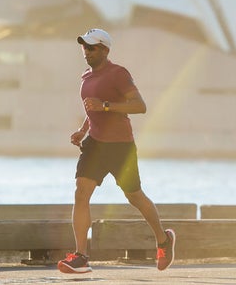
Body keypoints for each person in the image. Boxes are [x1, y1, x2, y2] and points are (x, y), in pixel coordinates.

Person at [57, 28, 175, 274]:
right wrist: (82, 130)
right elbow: (93, 111)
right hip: (95, 145)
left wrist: (106, 106)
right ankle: (81, 256)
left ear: (104, 49)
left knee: (135, 196)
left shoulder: (118, 74)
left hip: (121, 147)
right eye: (84, 47)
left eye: (91, 47)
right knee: (81, 192)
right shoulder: (86, 77)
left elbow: (139, 106)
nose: (86, 52)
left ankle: (163, 240)